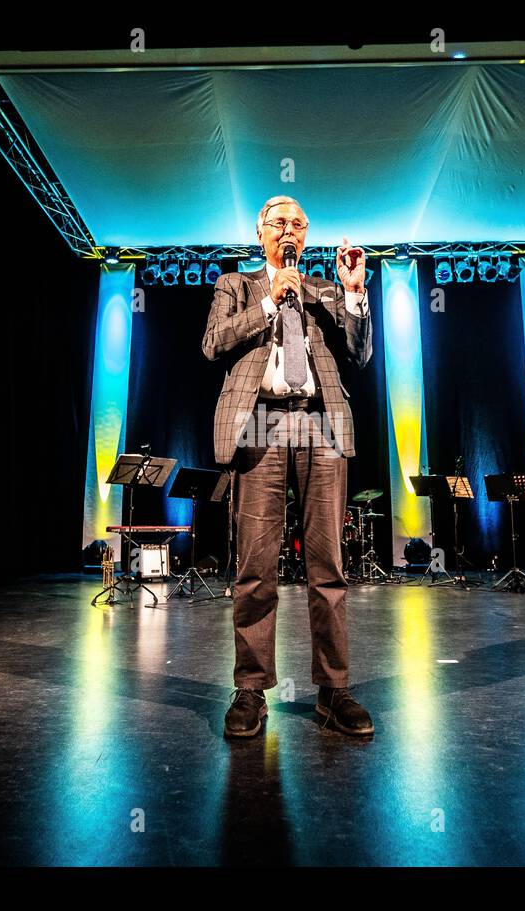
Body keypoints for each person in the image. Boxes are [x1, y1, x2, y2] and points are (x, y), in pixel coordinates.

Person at [202, 195, 374, 738]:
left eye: (300, 223)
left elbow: (360, 352)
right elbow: (212, 345)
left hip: (321, 424)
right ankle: (251, 690)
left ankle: (333, 690)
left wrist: (352, 292)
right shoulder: (236, 285)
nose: (290, 230)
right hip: (260, 423)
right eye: (280, 222)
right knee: (255, 565)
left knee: (328, 566)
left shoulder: (324, 290)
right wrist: (270, 305)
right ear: (260, 233)